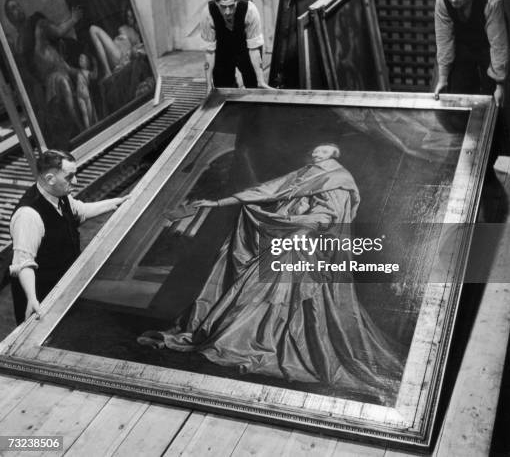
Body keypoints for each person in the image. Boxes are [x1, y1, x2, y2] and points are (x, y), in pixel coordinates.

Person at [138, 144, 402, 400]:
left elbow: (333, 216)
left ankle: (255, 339)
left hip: (305, 238)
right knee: (257, 282)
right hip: (292, 231)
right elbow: (266, 191)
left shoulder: (338, 178)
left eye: (322, 151)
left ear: (333, 156)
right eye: (315, 150)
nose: (314, 153)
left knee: (278, 288)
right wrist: (217, 203)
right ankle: (246, 336)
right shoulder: (303, 175)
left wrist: (301, 225)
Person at [9, 149, 129, 324]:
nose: (76, 181)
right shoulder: (28, 215)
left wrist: (116, 203)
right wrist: (32, 299)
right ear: (50, 179)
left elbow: (81, 210)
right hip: (42, 294)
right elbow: (23, 263)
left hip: (63, 284)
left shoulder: (60, 196)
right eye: (69, 176)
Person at [433, 0, 508, 106]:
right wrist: (443, 78)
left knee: (492, 96)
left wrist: (500, 84)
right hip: (464, 43)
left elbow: (498, 44)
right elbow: (444, 41)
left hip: (488, 44)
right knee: (457, 90)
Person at [200, 0, 270, 91]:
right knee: (223, 89)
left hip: (245, 48)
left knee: (254, 85)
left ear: (237, 1)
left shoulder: (250, 10)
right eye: (223, 7)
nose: (227, 12)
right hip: (222, 50)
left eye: (231, 6)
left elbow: (254, 49)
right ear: (217, 2)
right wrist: (208, 85)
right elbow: (209, 52)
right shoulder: (208, 14)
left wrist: (260, 80)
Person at [88, 3, 145, 78]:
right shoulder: (125, 28)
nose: (129, 19)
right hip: (113, 54)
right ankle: (107, 70)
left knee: (93, 29)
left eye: (131, 17)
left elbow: (135, 51)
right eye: (128, 16)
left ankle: (107, 72)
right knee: (93, 30)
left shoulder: (135, 34)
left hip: (119, 56)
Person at [75, 53, 98, 129]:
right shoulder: (78, 72)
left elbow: (95, 75)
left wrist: (95, 65)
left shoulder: (87, 72)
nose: (80, 60)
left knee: (89, 113)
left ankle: (91, 127)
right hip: (79, 96)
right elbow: (70, 70)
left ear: (86, 63)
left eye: (82, 59)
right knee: (84, 112)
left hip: (86, 95)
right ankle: (88, 129)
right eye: (79, 58)